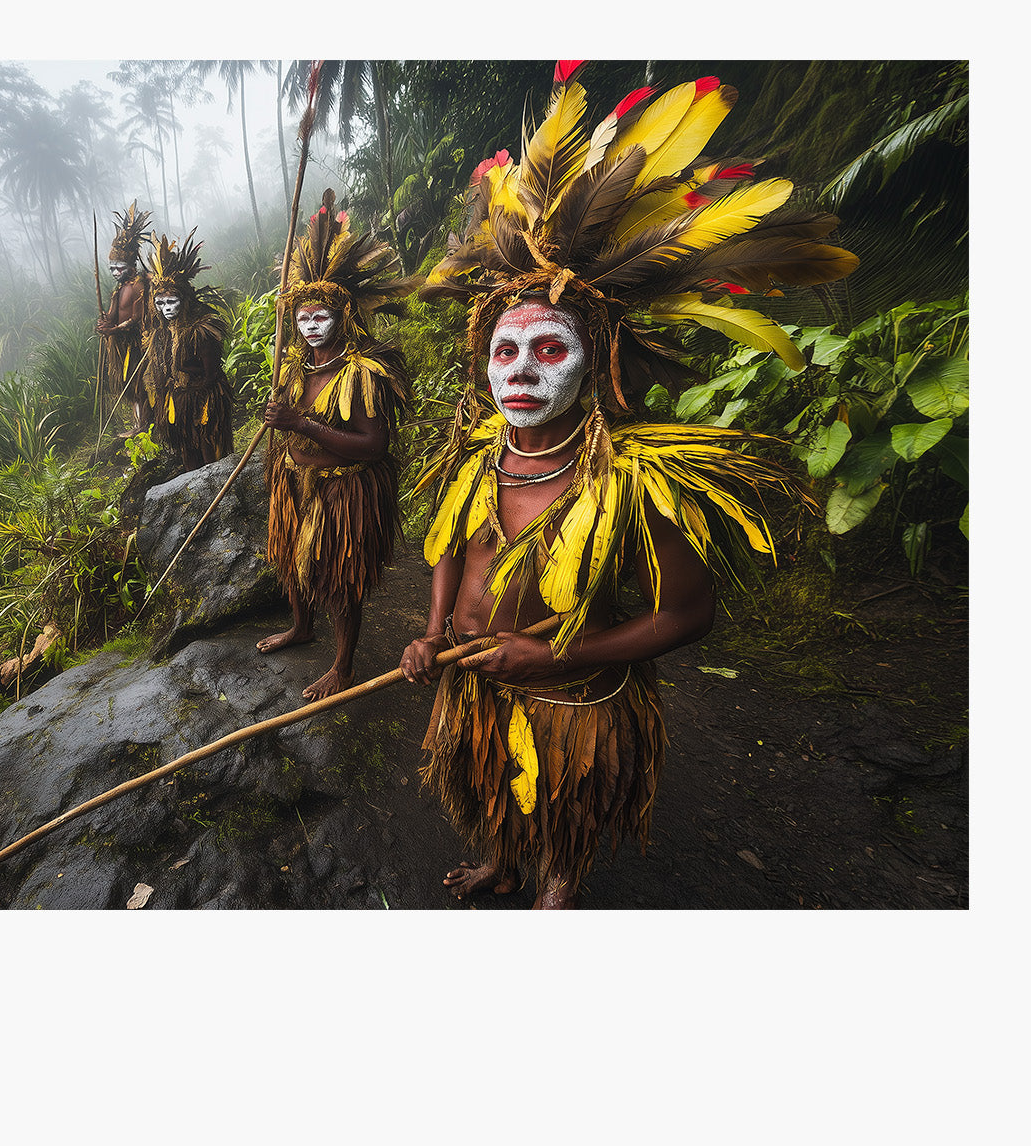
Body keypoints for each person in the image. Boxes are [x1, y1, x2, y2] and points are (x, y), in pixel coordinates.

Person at [402, 62, 858, 909]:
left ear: (597, 358)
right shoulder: (476, 460)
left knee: (562, 815)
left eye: (549, 350)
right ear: (482, 362)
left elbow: (689, 615)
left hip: (577, 698)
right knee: (496, 796)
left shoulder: (631, 483)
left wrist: (552, 653)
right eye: (506, 351)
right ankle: (503, 862)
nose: (522, 373)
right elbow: (447, 551)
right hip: (476, 680)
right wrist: (430, 634)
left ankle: (558, 888)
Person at [258, 191, 416, 701]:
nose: (308, 324)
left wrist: (301, 423)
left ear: (342, 316)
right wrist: (279, 420)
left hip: (341, 490)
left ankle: (343, 665)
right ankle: (301, 627)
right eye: (302, 316)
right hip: (295, 481)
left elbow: (373, 444)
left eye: (319, 315)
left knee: (339, 577)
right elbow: (285, 421)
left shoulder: (360, 373)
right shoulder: (294, 366)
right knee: (289, 557)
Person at [141, 230, 234, 473]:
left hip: (202, 399)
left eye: (172, 302)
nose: (166, 309)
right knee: (187, 452)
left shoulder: (201, 330)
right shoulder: (161, 332)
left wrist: (191, 392)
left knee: (209, 451)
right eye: (160, 303)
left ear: (184, 298)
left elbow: (211, 374)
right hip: (178, 400)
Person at [96, 202, 152, 438]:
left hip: (137, 345)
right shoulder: (118, 290)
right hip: (121, 346)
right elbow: (111, 315)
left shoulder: (140, 284)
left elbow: (138, 319)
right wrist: (104, 324)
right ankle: (139, 424)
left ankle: (145, 425)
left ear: (131, 265)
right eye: (112, 268)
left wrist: (116, 330)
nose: (115, 273)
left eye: (120, 268)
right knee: (130, 386)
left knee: (141, 385)